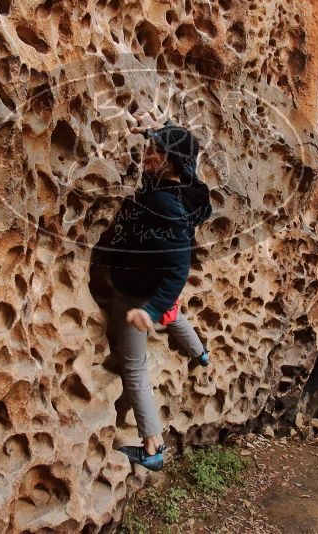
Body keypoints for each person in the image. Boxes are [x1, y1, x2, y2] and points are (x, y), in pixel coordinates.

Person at [106, 110, 212, 471]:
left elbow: (178, 268)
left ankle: (152, 447)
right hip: (150, 282)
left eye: (153, 149)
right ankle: (200, 354)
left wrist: (148, 311)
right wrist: (155, 129)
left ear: (167, 161)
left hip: (136, 295)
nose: (146, 153)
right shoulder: (182, 187)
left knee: (134, 369)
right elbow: (179, 145)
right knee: (174, 312)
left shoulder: (165, 204)